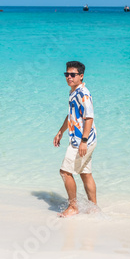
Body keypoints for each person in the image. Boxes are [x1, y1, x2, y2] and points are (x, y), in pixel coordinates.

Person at [53, 61, 97, 217]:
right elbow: (71, 115)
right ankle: (93, 208)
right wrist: (61, 131)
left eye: (73, 75)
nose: (69, 77)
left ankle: (73, 207)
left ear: (81, 76)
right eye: (67, 74)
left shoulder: (83, 94)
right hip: (85, 140)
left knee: (65, 172)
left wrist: (83, 141)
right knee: (86, 174)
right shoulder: (74, 92)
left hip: (81, 141)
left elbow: (89, 118)